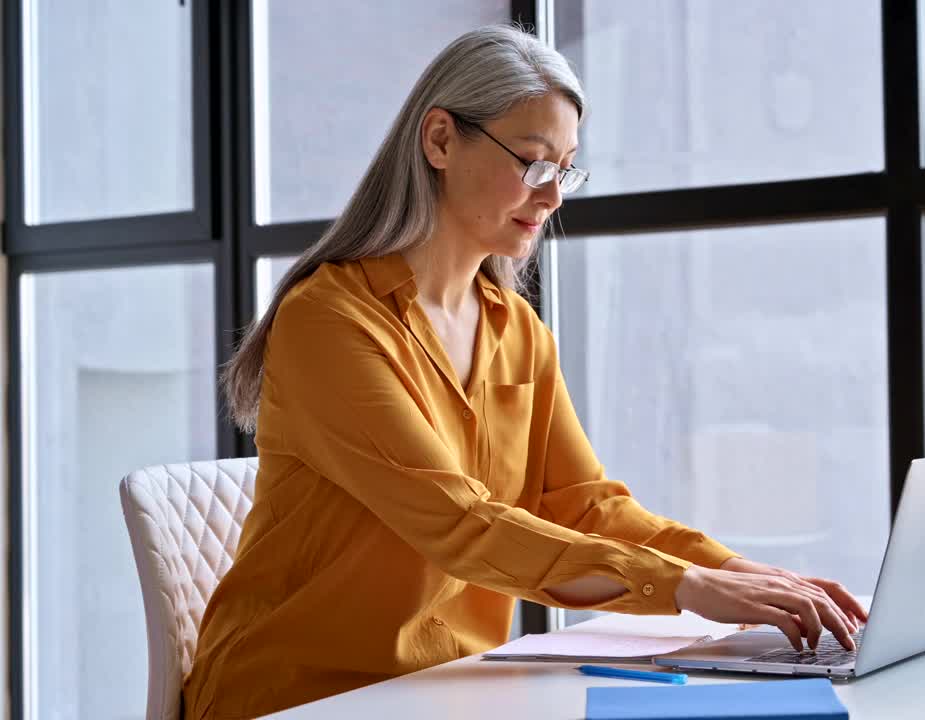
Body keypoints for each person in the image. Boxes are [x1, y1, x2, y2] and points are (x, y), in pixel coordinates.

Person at [187, 24, 867, 719]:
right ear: (441, 140)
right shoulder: (330, 322)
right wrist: (686, 587)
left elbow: (585, 505)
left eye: (565, 168)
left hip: (446, 691)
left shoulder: (516, 329)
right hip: (300, 697)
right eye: (533, 163)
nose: (553, 196)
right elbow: (461, 524)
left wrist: (745, 576)